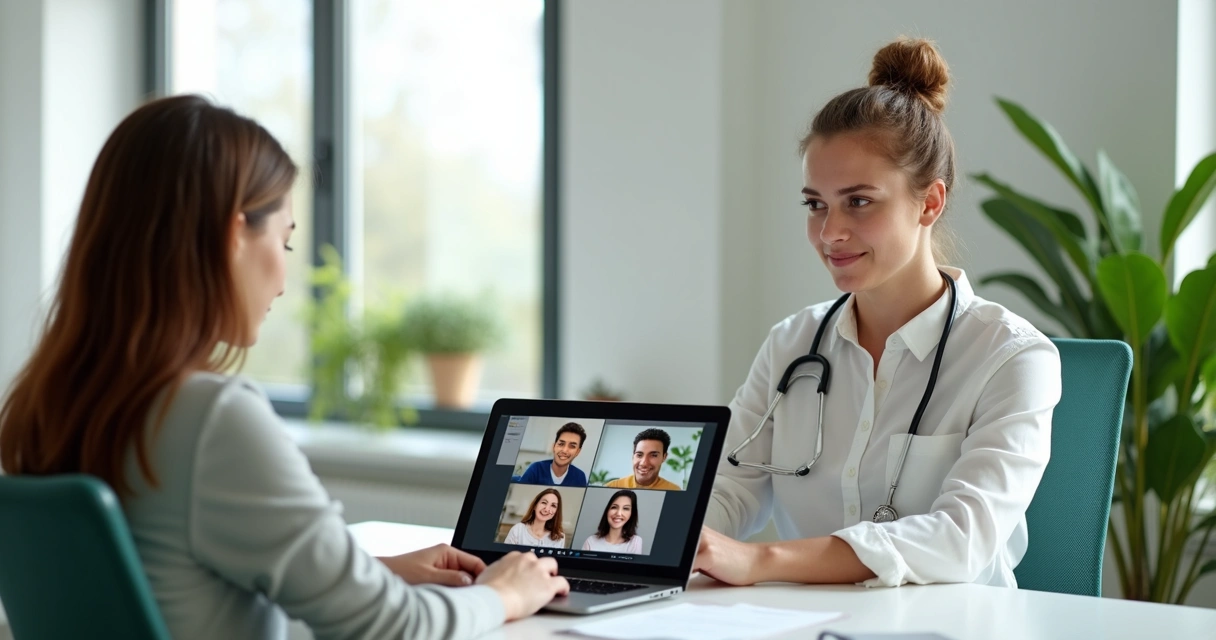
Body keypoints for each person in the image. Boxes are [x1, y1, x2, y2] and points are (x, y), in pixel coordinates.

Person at [0, 95, 568, 640]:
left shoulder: (45, 405)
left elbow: (163, 571)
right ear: (233, 234)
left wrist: (367, 573)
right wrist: (505, 594)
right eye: (286, 242)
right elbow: (389, 628)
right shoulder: (209, 417)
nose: (284, 278)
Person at [693, 38, 1061, 590]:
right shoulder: (793, 345)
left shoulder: (1012, 357)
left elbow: (961, 538)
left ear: (930, 203)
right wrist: (647, 541)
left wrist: (763, 562)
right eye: (815, 203)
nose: (829, 232)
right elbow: (730, 490)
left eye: (859, 201)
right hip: (803, 624)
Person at [605, 428, 682, 491]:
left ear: (664, 457)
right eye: (639, 455)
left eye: (654, 455)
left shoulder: (674, 490)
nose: (644, 463)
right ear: (633, 456)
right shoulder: (611, 487)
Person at [517, 422, 589, 486]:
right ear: (554, 446)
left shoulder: (580, 477)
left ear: (577, 452)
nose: (564, 450)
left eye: (572, 446)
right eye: (561, 444)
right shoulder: (536, 469)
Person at [582, 490, 644, 554]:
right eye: (614, 507)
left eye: (625, 508)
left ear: (632, 514)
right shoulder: (591, 541)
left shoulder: (635, 541)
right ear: (607, 510)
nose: (618, 513)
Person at [503, 488, 567, 548]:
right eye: (544, 503)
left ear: (556, 512)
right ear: (535, 506)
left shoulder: (559, 537)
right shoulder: (518, 530)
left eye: (553, 505)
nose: (547, 509)